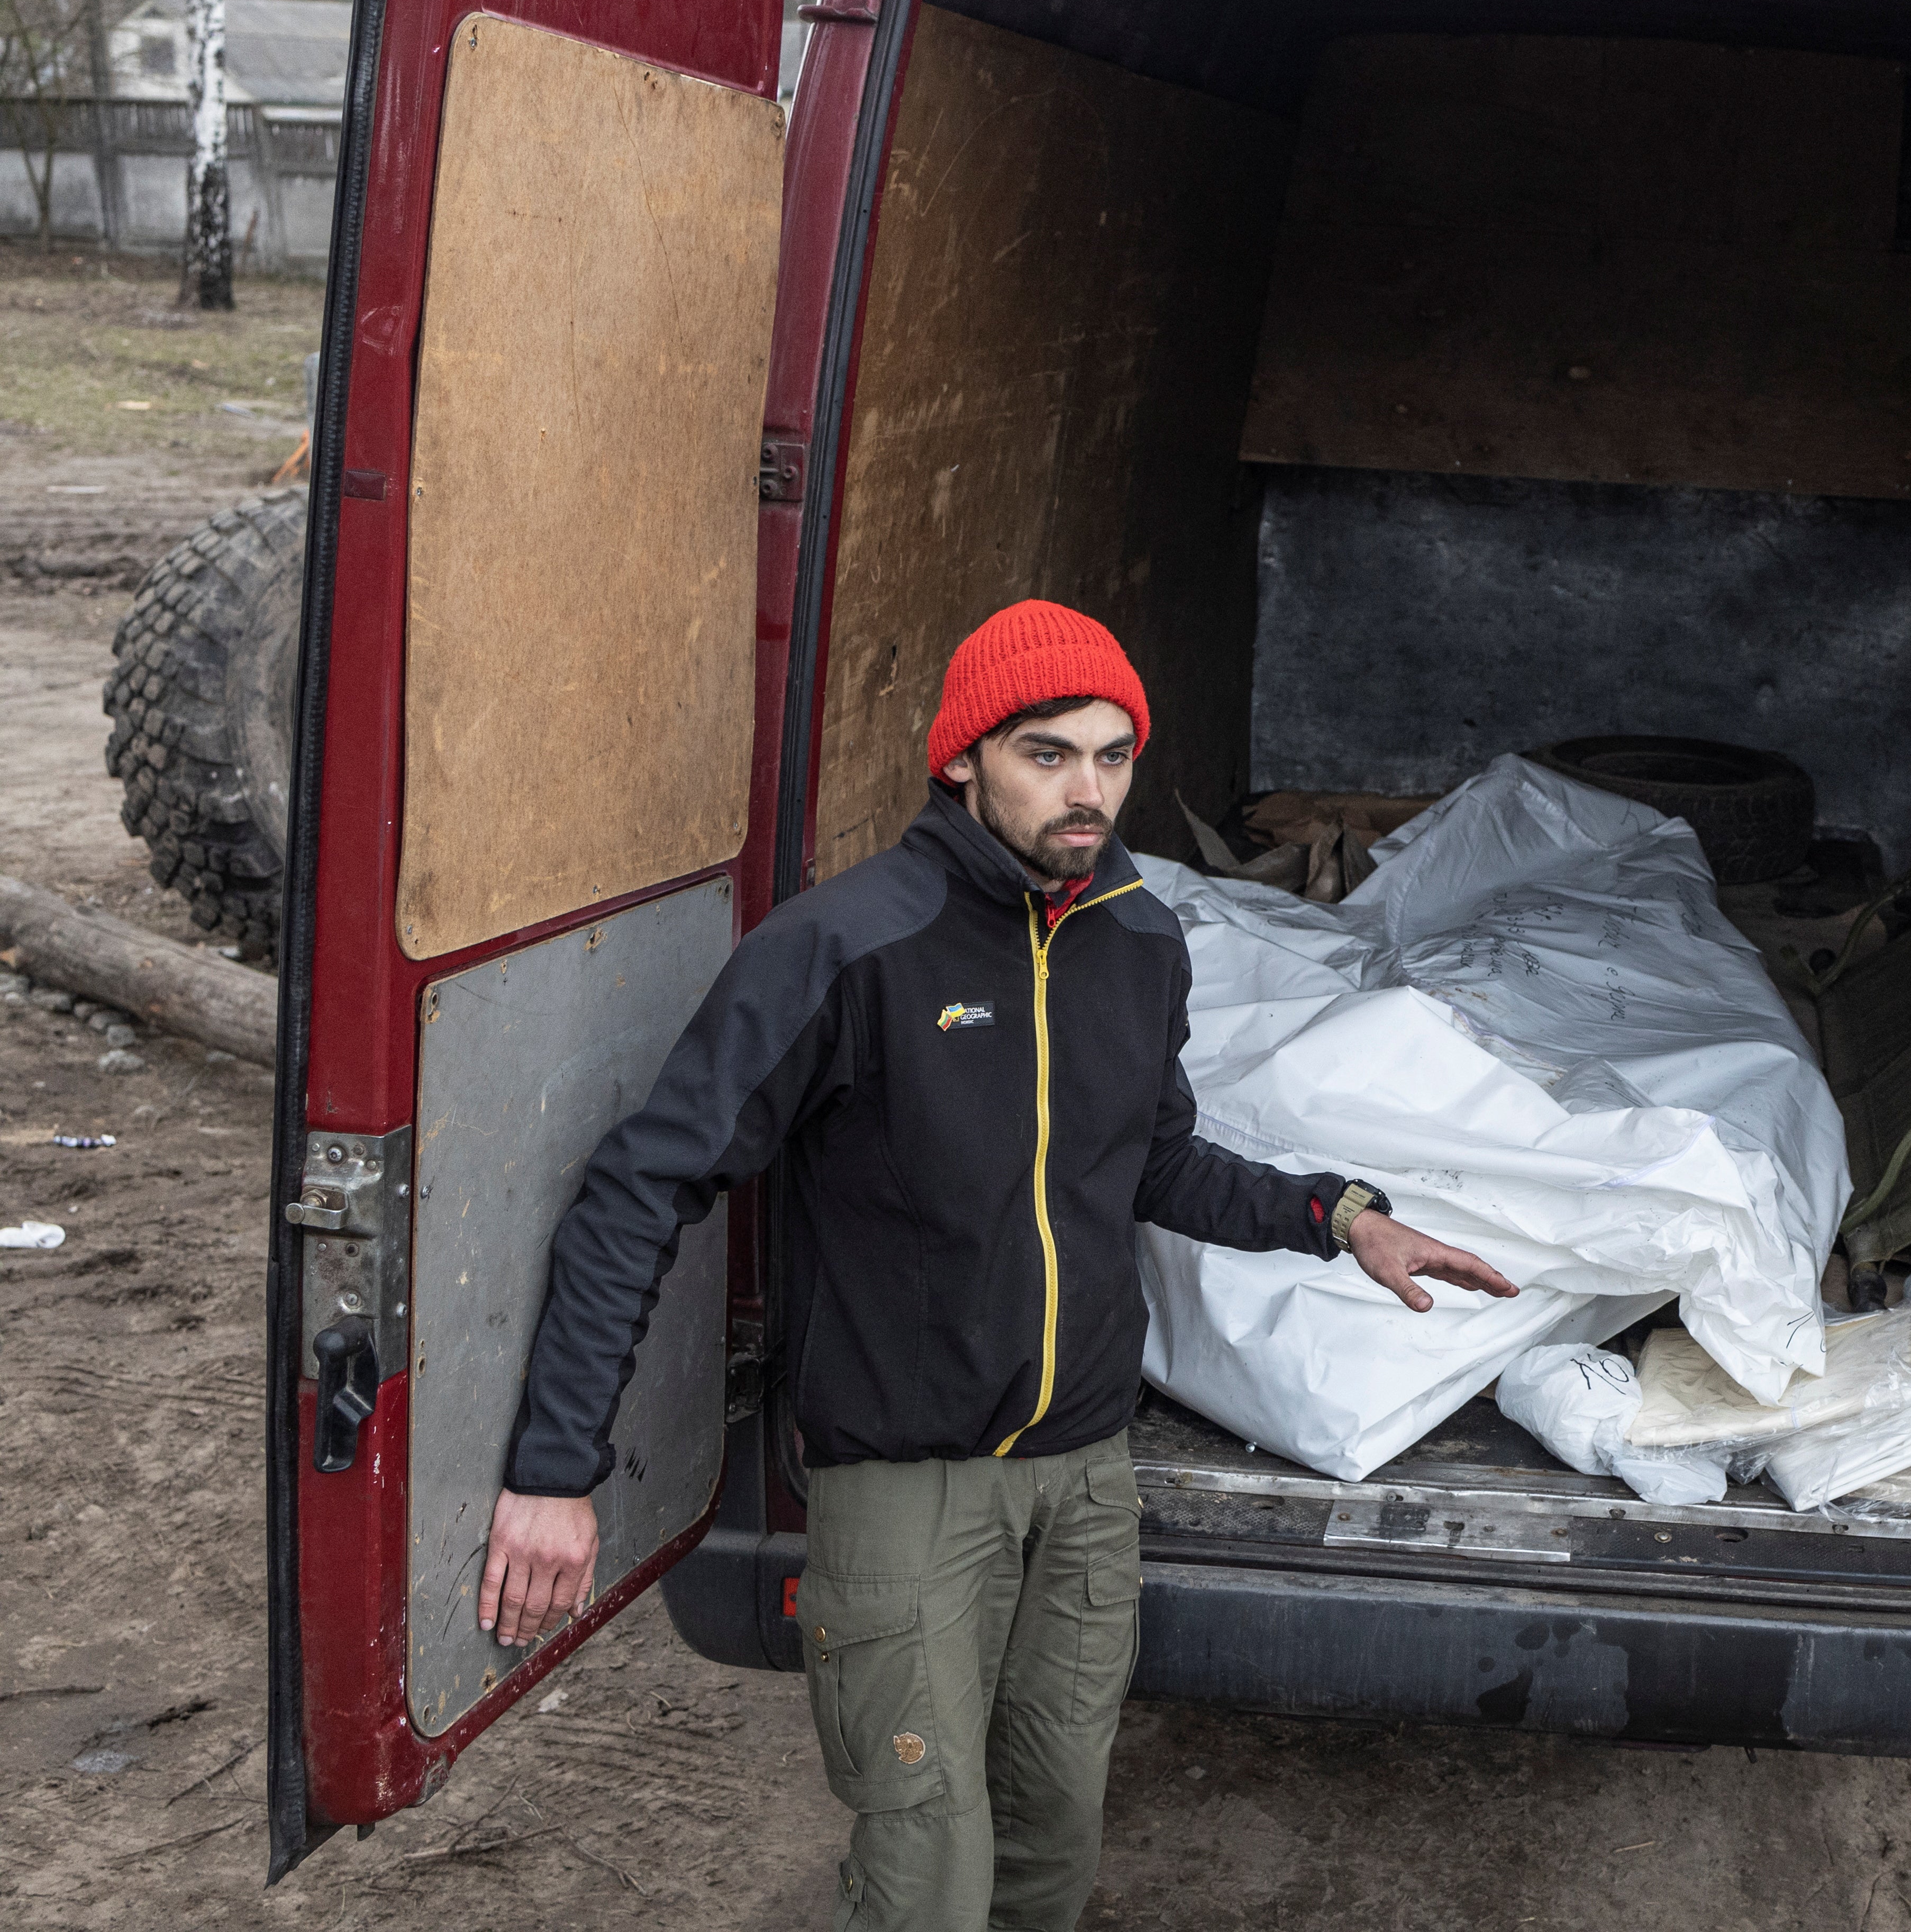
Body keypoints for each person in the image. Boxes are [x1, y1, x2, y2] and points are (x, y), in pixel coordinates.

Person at [477, 598, 1515, 1930]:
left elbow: (1155, 1160)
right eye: (1048, 753)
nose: (1089, 793)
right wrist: (554, 1469)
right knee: (927, 1871)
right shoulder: (848, 945)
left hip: (1085, 1481)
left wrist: (1339, 1216)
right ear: (963, 758)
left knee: (1053, 1843)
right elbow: (640, 1186)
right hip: (907, 1486)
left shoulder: (1135, 935)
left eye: (1114, 755)